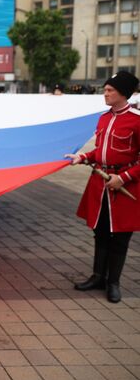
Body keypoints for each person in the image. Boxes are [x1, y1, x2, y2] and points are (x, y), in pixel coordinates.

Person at [65, 70, 140, 303]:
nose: (105, 94)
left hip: (125, 185)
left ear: (123, 94)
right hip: (100, 182)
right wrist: (83, 157)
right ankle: (98, 276)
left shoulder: (137, 121)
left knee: (120, 236)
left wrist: (125, 177)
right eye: (105, 89)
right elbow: (101, 151)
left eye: (110, 90)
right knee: (101, 233)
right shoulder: (104, 118)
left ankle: (113, 282)